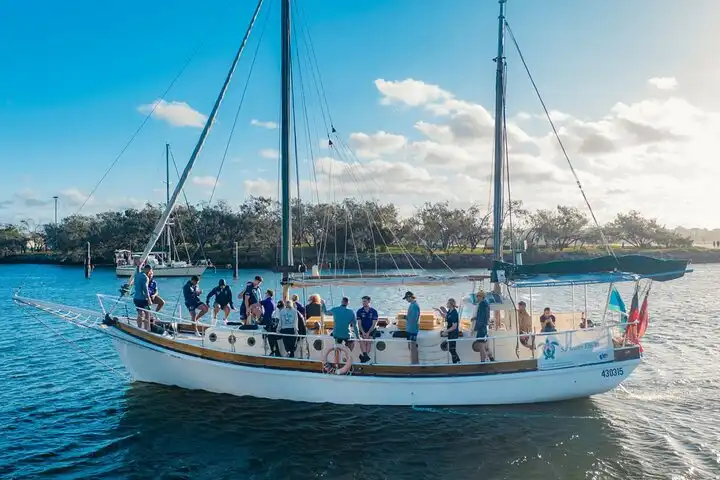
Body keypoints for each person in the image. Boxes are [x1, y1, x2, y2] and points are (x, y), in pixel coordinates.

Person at [356, 295, 378, 363]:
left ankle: (365, 356)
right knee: (362, 340)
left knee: (369, 340)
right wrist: (363, 332)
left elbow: (374, 324)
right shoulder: (359, 311)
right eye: (363, 301)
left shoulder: (374, 311)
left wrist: (368, 333)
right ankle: (365, 356)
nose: (363, 303)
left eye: (365, 301)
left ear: (369, 301)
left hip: (371, 329)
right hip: (362, 329)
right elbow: (359, 324)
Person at [440, 298, 461, 364]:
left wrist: (446, 331)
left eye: (448, 303)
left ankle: (456, 363)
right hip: (450, 333)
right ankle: (457, 362)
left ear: (451, 304)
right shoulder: (449, 311)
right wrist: (439, 311)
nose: (446, 304)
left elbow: (454, 326)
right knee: (451, 349)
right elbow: (445, 316)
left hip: (454, 333)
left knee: (452, 349)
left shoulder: (454, 313)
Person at [472, 290, 491, 362]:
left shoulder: (482, 305)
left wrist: (475, 328)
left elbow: (481, 318)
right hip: (484, 327)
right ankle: (486, 359)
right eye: (477, 296)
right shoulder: (486, 304)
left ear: (482, 297)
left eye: (478, 296)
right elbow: (485, 316)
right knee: (483, 345)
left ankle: (484, 360)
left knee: (481, 346)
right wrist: (475, 318)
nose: (477, 297)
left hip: (481, 328)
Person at [133, 264, 152, 331]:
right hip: (143, 299)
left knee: (140, 313)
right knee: (147, 313)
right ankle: (147, 329)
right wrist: (149, 299)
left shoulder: (136, 275)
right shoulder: (145, 277)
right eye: (149, 271)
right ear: (147, 269)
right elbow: (145, 289)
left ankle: (139, 328)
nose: (149, 272)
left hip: (136, 298)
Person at [403, 291, 420, 365]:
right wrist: (405, 317)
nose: (406, 300)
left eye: (406, 298)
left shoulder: (415, 306)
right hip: (410, 328)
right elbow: (411, 317)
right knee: (410, 346)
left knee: (413, 347)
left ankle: (415, 363)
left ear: (410, 297)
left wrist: (406, 318)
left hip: (412, 329)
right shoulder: (412, 305)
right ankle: (414, 362)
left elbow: (414, 319)